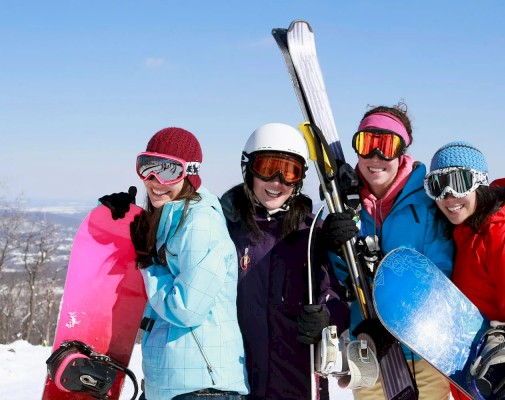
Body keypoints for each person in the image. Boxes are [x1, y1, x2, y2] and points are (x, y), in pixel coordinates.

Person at [99, 127, 248, 400]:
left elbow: (186, 309)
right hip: (172, 383)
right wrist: (122, 220)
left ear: (189, 173)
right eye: (147, 167)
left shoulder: (200, 223)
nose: (154, 180)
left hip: (203, 387)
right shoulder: (170, 218)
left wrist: (147, 264)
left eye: (168, 171)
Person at [323, 104, 455, 400]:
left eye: (386, 146)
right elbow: (343, 280)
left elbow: (439, 276)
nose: (375, 157)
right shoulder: (345, 203)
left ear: (402, 152)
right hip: (367, 349)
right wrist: (333, 245)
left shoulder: (427, 203)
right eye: (366, 144)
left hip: (423, 350)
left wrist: (393, 325)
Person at [219, 123, 351, 400]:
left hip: (298, 384)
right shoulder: (226, 230)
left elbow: (339, 299)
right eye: (268, 168)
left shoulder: (312, 233)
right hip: (237, 384)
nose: (277, 182)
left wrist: (327, 317)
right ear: (249, 170)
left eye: (289, 172)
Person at [424, 141, 505, 400]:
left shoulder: (503, 236)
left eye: (459, 182)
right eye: (438, 186)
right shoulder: (461, 236)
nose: (449, 195)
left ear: (480, 184)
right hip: (478, 379)